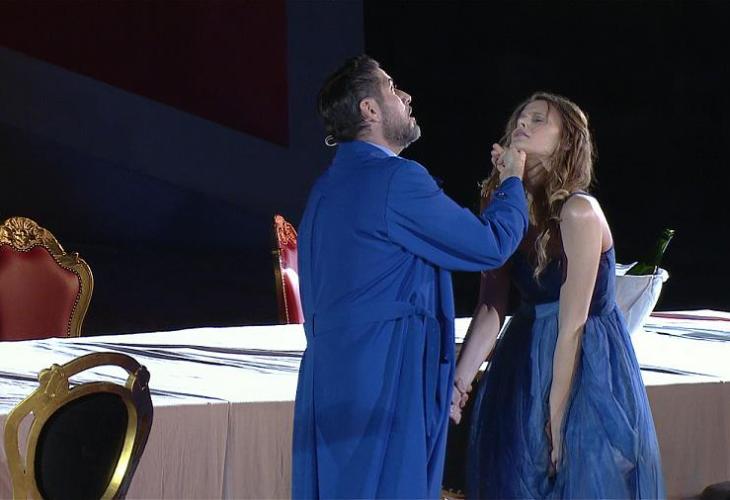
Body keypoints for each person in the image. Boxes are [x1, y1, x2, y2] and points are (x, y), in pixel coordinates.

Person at [291, 55, 529, 499]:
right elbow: (490, 244)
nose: (406, 96)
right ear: (369, 109)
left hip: (331, 379)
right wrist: (512, 182)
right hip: (383, 380)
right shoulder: (396, 180)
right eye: (391, 86)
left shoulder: (326, 186)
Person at [451, 92, 666, 498]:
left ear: (567, 142)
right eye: (520, 118)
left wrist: (556, 420)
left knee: (575, 476)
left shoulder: (579, 211)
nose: (522, 124)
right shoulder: (502, 202)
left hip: (584, 364)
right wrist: (459, 383)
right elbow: (491, 304)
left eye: (538, 120)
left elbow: (572, 327)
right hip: (525, 355)